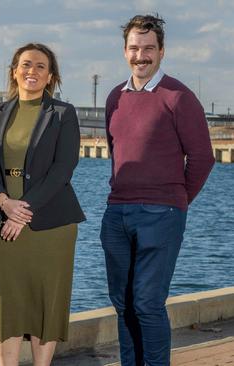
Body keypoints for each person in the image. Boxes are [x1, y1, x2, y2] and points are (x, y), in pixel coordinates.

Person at [101, 15, 215, 366]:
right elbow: (116, 151)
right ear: (124, 51)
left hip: (161, 214)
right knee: (123, 304)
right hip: (117, 214)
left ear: (161, 51)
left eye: (149, 48)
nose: (141, 56)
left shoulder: (179, 97)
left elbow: (202, 158)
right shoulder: (114, 98)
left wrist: (174, 202)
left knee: (148, 303)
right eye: (134, 48)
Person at [0, 43, 85, 366]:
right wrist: (5, 203)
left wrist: (21, 213)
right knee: (5, 305)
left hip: (49, 227)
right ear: (14, 71)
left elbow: (63, 170)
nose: (31, 71)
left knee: (43, 304)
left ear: (50, 76)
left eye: (40, 66)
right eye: (25, 65)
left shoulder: (63, 114)